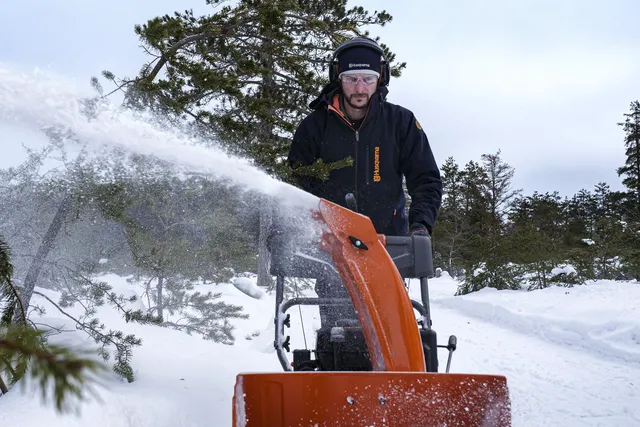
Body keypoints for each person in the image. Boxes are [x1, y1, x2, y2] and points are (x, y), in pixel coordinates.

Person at [287, 37, 443, 326]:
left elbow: (427, 180)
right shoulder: (314, 126)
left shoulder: (401, 123)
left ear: (380, 77)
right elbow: (297, 187)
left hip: (388, 247)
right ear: (338, 76)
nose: (360, 88)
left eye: (368, 79)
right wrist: (298, 227)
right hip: (332, 248)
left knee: (389, 327)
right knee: (337, 331)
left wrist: (421, 226)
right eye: (352, 78)